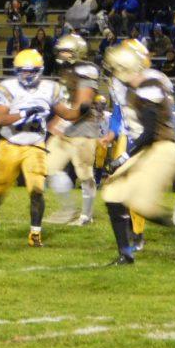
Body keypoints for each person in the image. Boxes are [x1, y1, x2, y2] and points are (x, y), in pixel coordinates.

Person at [0, 50, 84, 245]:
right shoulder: (7, 87)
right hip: (9, 145)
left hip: (35, 145)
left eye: (30, 71)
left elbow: (68, 114)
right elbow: (0, 119)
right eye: (22, 71)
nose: (26, 75)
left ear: (39, 71)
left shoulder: (50, 89)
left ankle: (35, 234)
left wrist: (84, 109)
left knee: (37, 190)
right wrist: (24, 113)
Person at [100, 43, 175, 264]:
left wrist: (123, 158)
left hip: (162, 148)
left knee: (143, 205)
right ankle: (126, 254)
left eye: (115, 68)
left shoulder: (149, 85)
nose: (113, 73)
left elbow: (150, 133)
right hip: (149, 148)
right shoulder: (136, 87)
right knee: (112, 194)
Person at [45, 34, 102, 226]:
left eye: (66, 50)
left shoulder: (87, 70)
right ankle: (68, 208)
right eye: (60, 50)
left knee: (85, 174)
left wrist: (62, 116)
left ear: (77, 52)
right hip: (66, 128)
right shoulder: (66, 71)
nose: (62, 54)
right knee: (49, 167)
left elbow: (82, 107)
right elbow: (67, 102)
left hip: (83, 129)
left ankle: (86, 216)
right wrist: (57, 119)